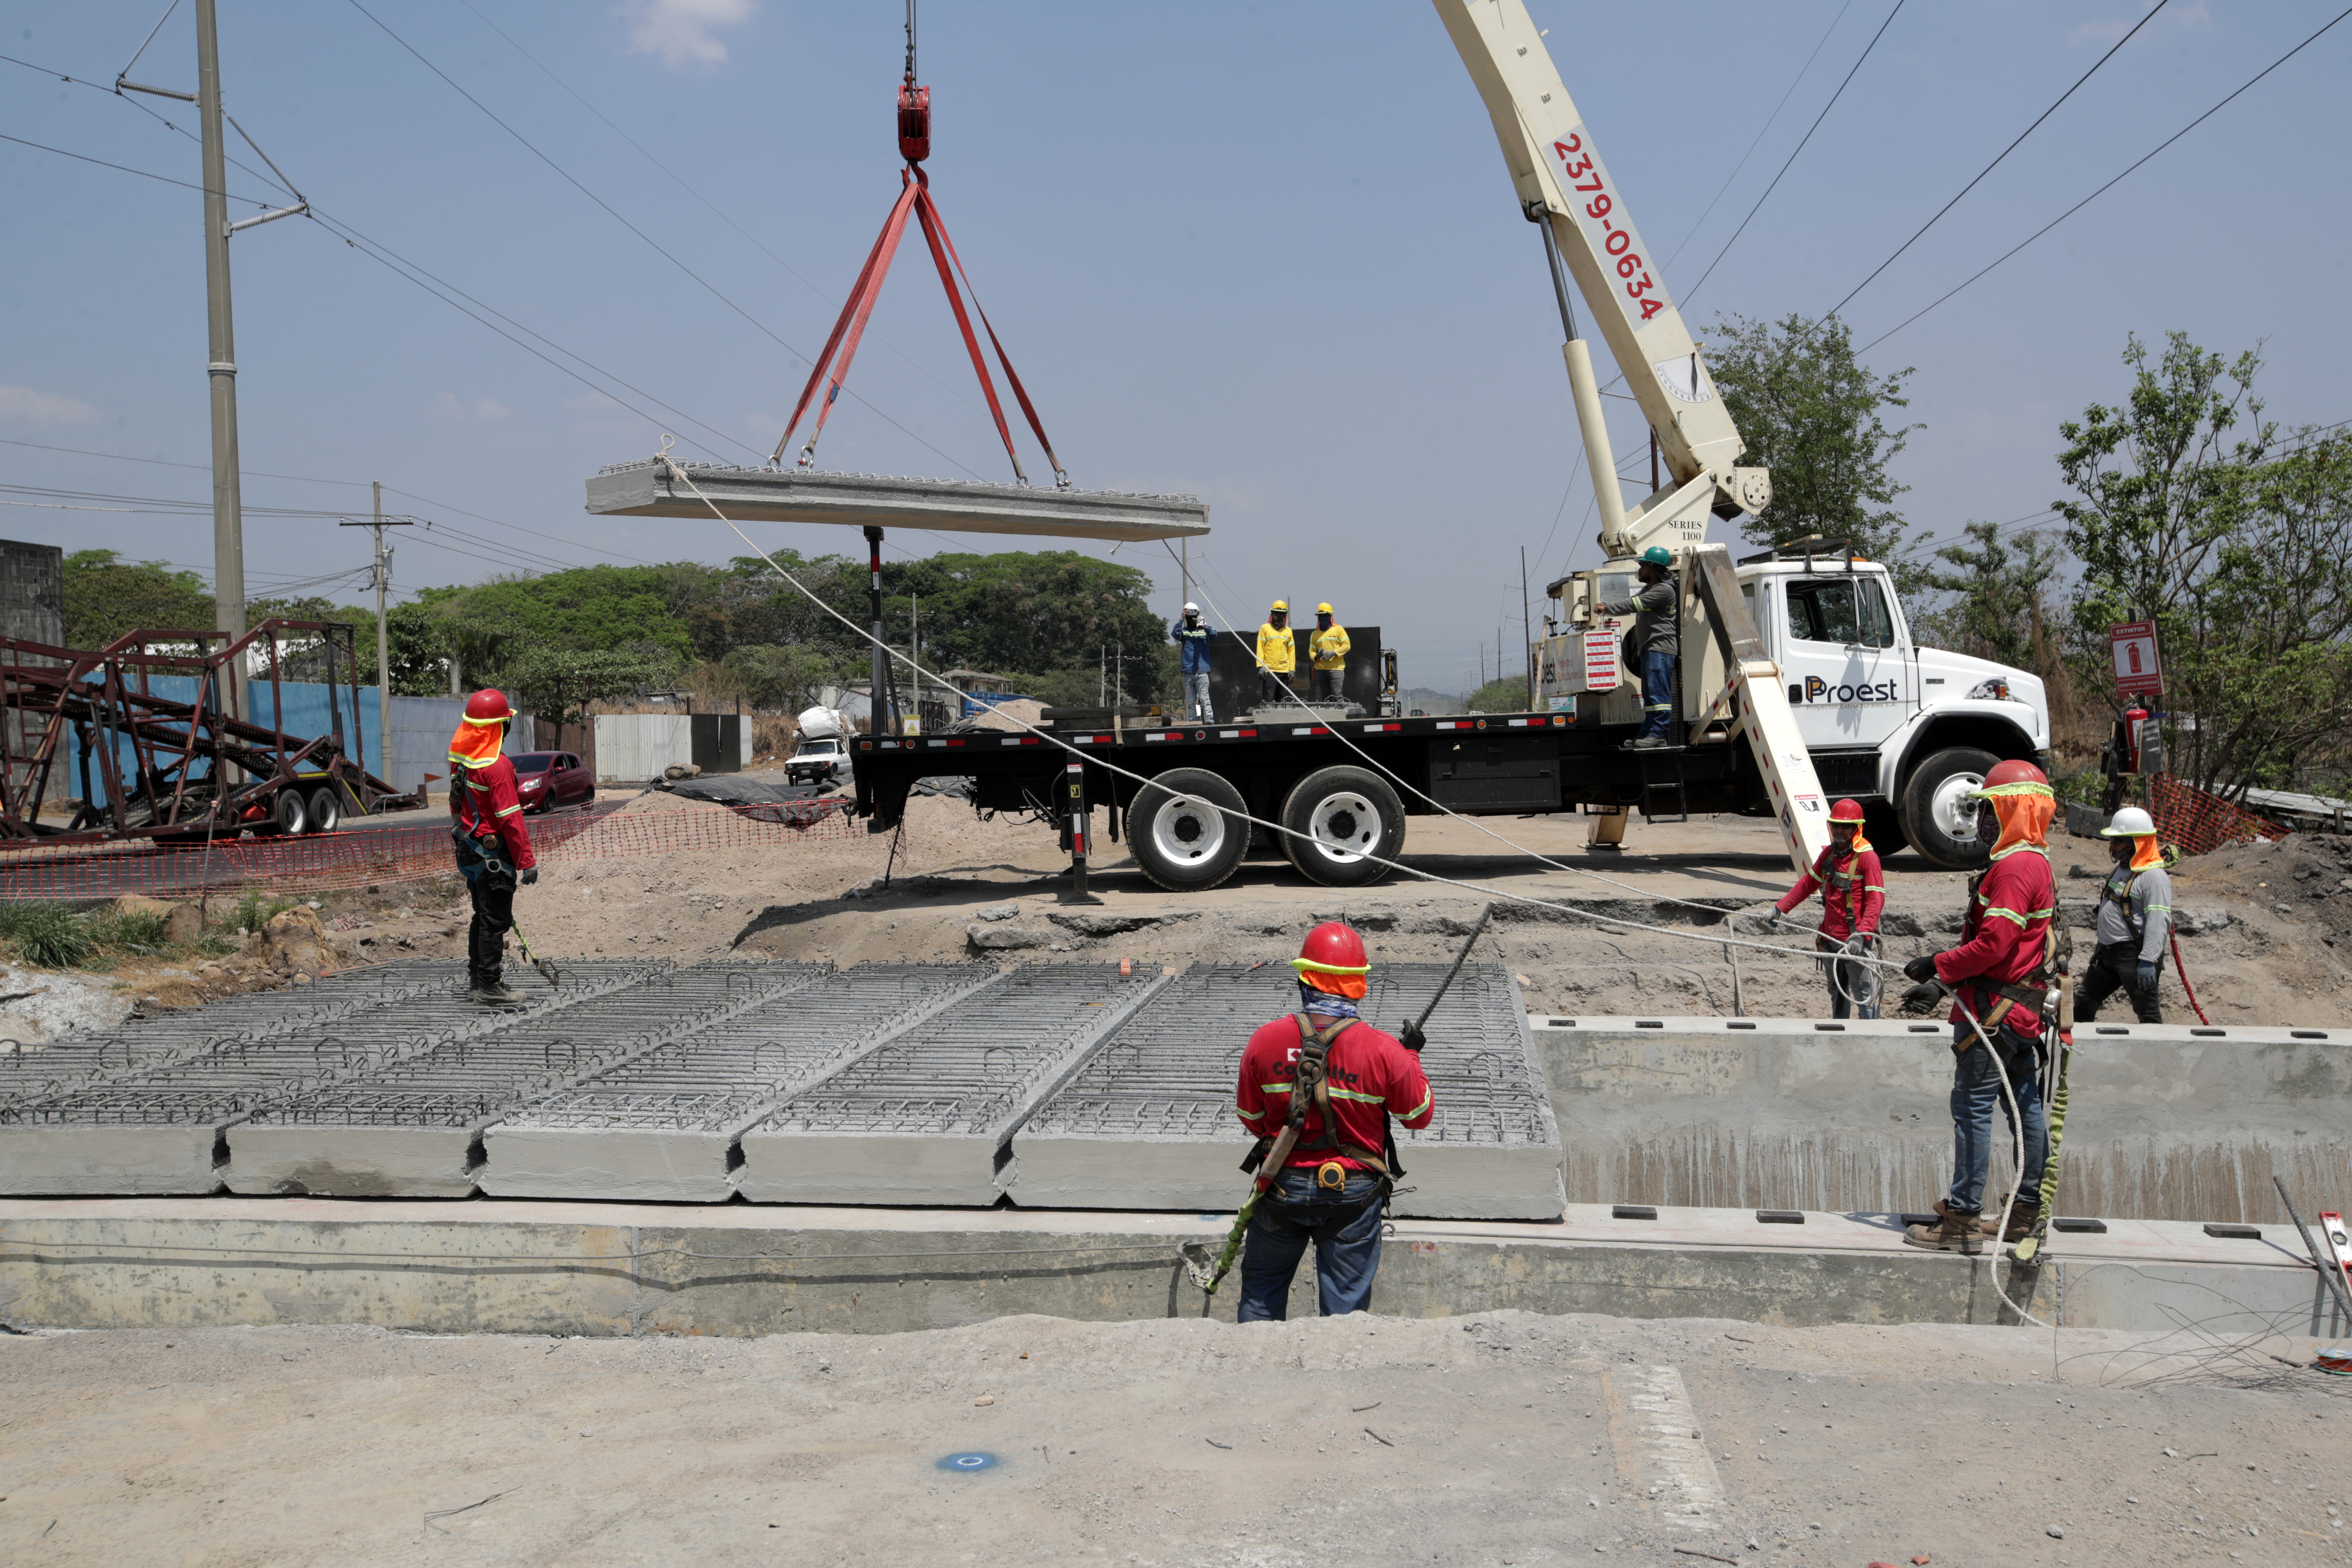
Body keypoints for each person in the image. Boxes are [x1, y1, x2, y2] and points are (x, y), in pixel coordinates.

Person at [1232, 922, 1434, 1320]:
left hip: (1281, 1185)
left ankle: (1253, 1375)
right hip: (1353, 1194)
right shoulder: (1384, 1050)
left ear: (1305, 979)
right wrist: (1411, 1055)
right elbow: (1417, 1116)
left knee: (1261, 1295)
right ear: (1358, 984)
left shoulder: (1265, 1040)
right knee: (1345, 1310)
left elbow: (1252, 1119)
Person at [1899, 759, 2058, 1251]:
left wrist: (1937, 965)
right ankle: (2025, 1214)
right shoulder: (2036, 862)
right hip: (2017, 1012)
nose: (1981, 822)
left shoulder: (2013, 869)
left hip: (1995, 1017)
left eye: (1990, 811)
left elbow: (1993, 946)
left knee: (1973, 1109)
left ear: (2011, 811)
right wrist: (1946, 981)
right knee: (2026, 1107)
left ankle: (1963, 1220)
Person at [447, 688, 538, 1005]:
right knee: (495, 921)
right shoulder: (497, 768)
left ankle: (477, 979)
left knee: (481, 916)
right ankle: (489, 984)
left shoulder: (462, 763)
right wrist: (527, 861)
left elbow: (456, 805)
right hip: (493, 854)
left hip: (469, 851)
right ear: (500, 727)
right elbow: (511, 820)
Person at [1774, 797, 1886, 1019]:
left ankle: (1870, 1041)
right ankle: (1840, 1035)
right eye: (1835, 825)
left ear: (1857, 828)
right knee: (1837, 991)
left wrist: (1861, 936)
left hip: (1854, 941)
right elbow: (1809, 883)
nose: (1839, 830)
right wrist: (1780, 909)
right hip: (1830, 939)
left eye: (1845, 826)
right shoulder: (1830, 854)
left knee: (1863, 993)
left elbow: (1876, 900)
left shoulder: (1867, 858)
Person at [2077, 805, 2172, 1023]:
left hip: (2134, 957)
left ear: (2137, 844)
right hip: (2108, 954)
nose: (2112, 847)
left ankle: (2157, 1057)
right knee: (2084, 1004)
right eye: (2112, 841)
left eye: (2118, 842)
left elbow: (2159, 922)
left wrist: (2149, 960)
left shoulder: (2154, 878)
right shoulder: (2123, 867)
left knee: (2148, 1015)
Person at [1594, 545, 1678, 747]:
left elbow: (1634, 604)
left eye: (1643, 566)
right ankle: (1647, 734)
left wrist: (1608, 607)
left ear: (1653, 568)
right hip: (1651, 650)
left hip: (1660, 649)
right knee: (1650, 697)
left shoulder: (1664, 590)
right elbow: (1635, 600)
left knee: (1660, 696)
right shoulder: (1651, 588)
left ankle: (1658, 735)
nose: (1639, 570)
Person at [1171, 601, 1216, 723]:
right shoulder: (1184, 632)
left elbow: (1214, 636)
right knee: (1191, 701)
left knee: (1205, 699)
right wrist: (1181, 619)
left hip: (1202, 672)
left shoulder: (1204, 631)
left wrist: (1205, 626)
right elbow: (1175, 634)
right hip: (1188, 672)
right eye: (1189, 617)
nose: (1192, 619)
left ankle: (1209, 721)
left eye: (1194, 616)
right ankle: (1193, 722)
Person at [1254, 600, 1297, 707]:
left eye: (1281, 614)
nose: (1279, 616)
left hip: (1285, 671)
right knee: (1268, 700)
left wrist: (1292, 669)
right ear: (1272, 614)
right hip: (1270, 671)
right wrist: (1261, 667)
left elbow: (1291, 652)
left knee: (1282, 701)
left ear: (1285, 615)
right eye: (1276, 614)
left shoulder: (1288, 631)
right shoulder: (1265, 628)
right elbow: (1260, 648)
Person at [1308, 602, 1351, 704]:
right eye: (1320, 617)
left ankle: (1339, 717)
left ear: (1330, 617)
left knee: (1337, 695)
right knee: (1326, 697)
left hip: (1336, 669)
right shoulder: (1315, 634)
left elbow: (1347, 646)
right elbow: (1311, 651)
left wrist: (1333, 653)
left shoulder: (1338, 629)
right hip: (1321, 670)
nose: (1323, 619)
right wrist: (1317, 656)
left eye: (1325, 616)